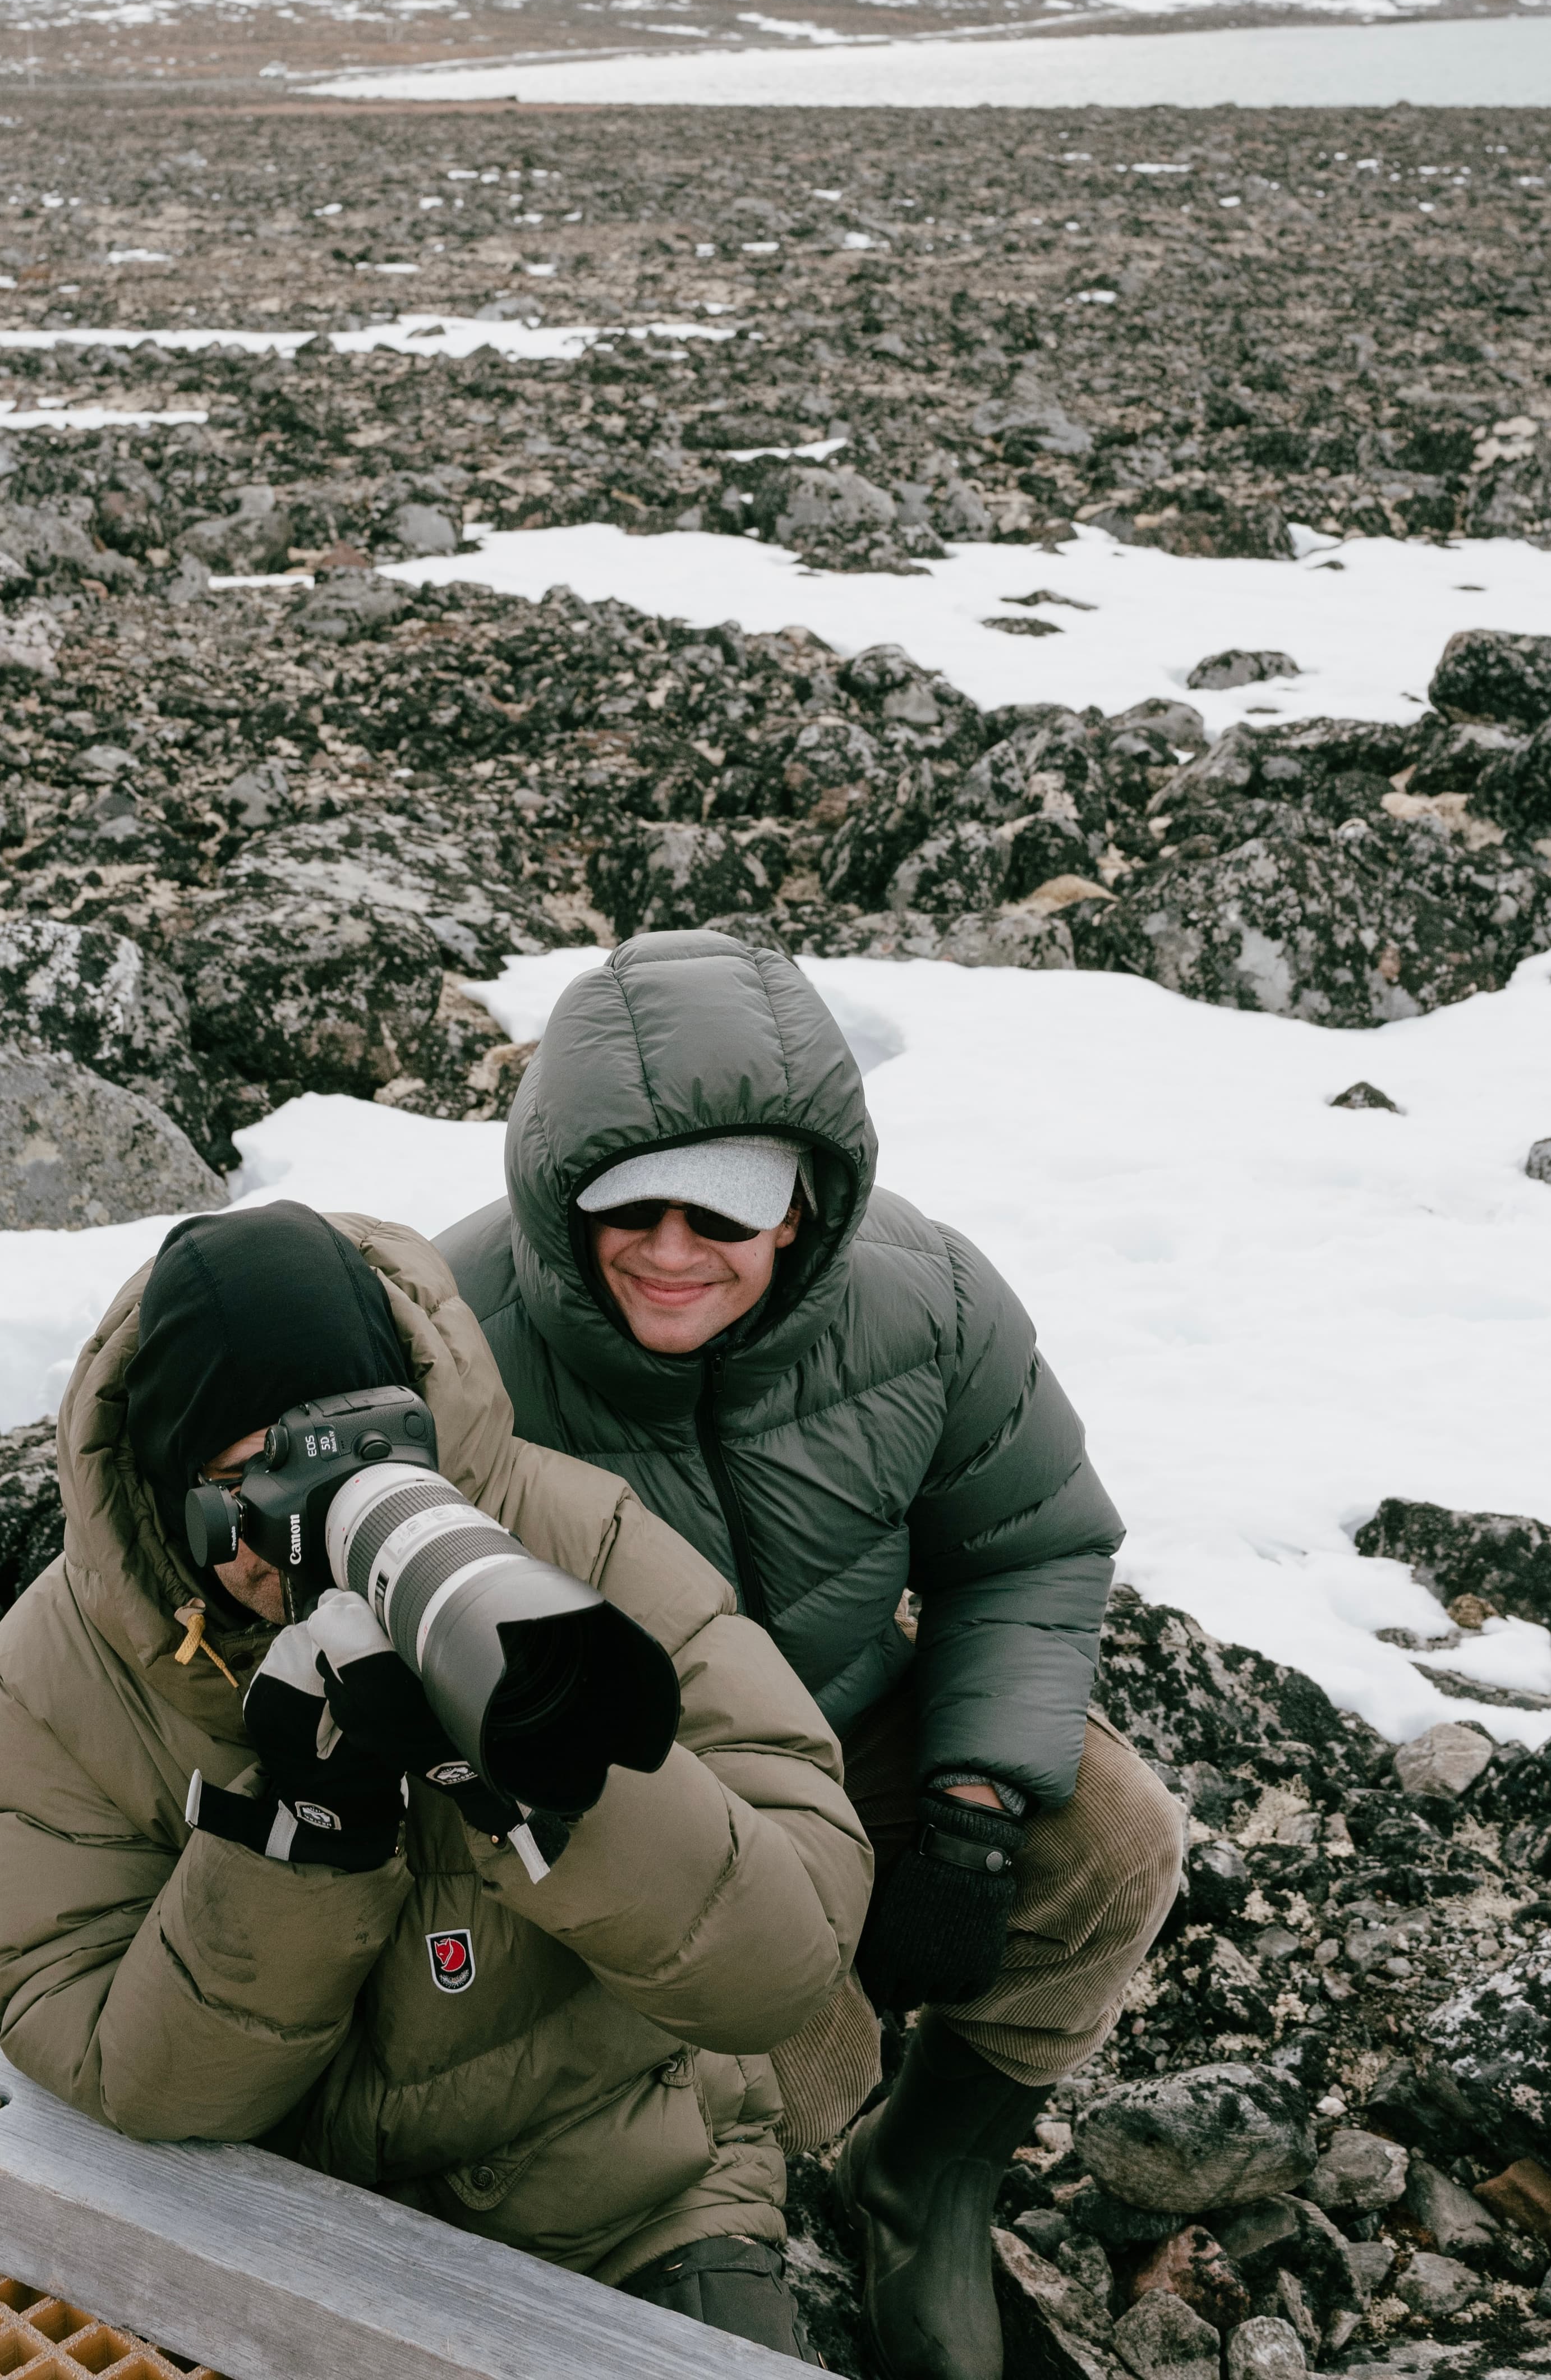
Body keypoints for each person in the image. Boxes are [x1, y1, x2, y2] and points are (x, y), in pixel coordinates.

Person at [437, 927, 1185, 2380]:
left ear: (803, 1205)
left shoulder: (928, 1301)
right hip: (634, 1797)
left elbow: (1028, 1543)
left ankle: (926, 2180)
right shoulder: (465, 1344)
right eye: (625, 1205)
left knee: (1116, 1843)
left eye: (719, 1214)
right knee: (788, 2049)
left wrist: (970, 1821)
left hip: (849, 1724)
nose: (669, 1253)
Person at [0, 1196, 873, 2356]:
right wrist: (305, 1840)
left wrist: (534, 1770)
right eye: (261, 1482)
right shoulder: (72, 1665)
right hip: (276, 2213)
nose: (318, 1521)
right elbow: (126, 2074)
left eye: (364, 1449)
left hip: (627, 2193)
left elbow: (783, 1967)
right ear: (175, 1500)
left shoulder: (567, 1537)